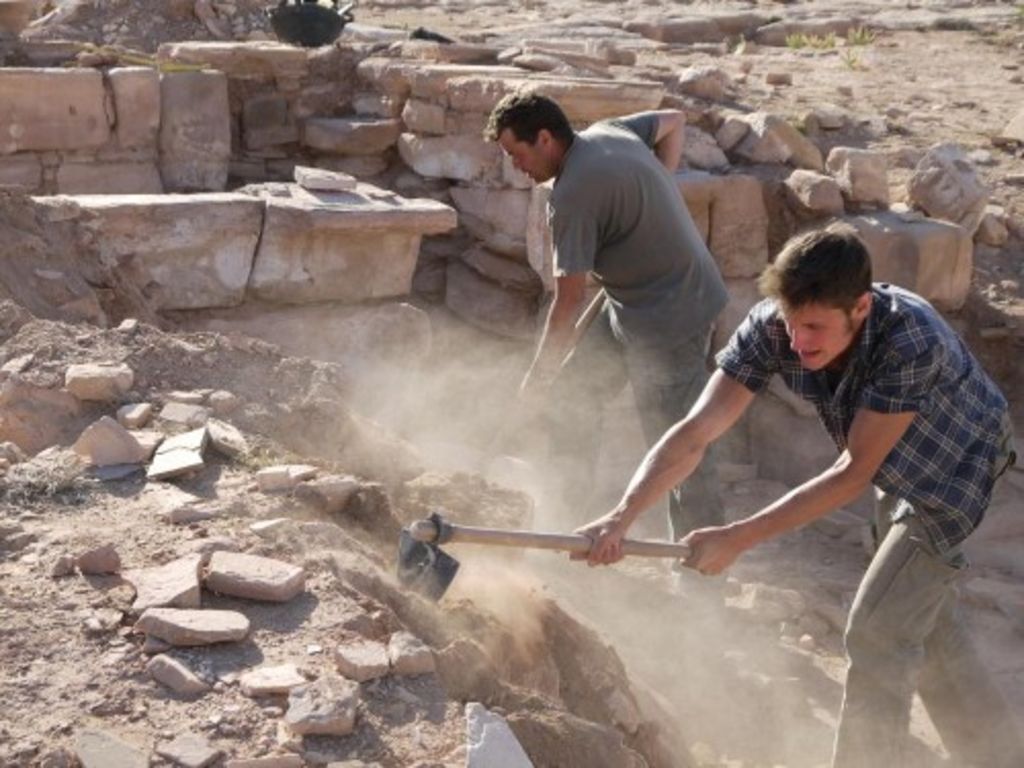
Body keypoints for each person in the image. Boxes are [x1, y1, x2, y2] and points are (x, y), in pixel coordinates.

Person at [575, 224, 1022, 767]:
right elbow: (696, 431)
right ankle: (999, 754)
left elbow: (852, 472)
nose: (796, 339)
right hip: (893, 462)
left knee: (880, 632)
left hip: (956, 466)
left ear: (859, 308)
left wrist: (737, 538)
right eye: (789, 321)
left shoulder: (910, 339)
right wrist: (621, 517)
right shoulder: (775, 325)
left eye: (813, 326)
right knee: (922, 619)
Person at [483, 92, 728, 541]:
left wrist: (535, 380)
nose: (518, 167)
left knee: (677, 445)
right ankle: (566, 513)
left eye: (518, 155)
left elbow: (567, 303)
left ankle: (700, 568)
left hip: (670, 316)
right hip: (631, 301)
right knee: (574, 396)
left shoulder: (572, 196)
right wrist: (663, 179)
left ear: (544, 138)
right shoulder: (610, 131)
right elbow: (674, 121)